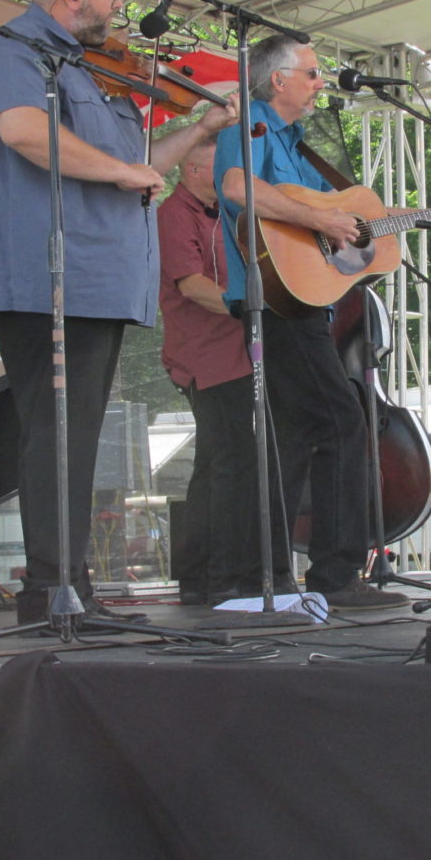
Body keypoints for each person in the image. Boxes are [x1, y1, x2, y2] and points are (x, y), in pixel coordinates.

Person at [0, 0, 237, 627]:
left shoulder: (89, 70)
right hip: (46, 274)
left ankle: (73, 584)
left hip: (102, 278)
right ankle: (50, 589)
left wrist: (202, 126)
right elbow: (24, 132)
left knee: (76, 433)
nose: (121, 10)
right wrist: (120, 172)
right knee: (55, 431)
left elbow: (142, 162)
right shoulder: (10, 53)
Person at [213, 34, 431, 610]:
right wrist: (319, 221)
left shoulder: (298, 146)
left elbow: (362, 220)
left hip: (298, 300)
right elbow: (237, 189)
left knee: (296, 437)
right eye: (310, 72)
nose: (320, 82)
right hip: (274, 299)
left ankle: (267, 575)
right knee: (344, 422)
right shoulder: (248, 129)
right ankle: (334, 575)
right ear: (276, 80)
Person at [157, 135, 268, 605]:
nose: (226, 177)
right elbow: (191, 285)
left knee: (216, 463)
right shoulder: (172, 215)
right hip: (204, 353)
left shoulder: (226, 211)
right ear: (194, 171)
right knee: (230, 462)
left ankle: (201, 573)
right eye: (218, 168)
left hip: (236, 349)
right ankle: (222, 574)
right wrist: (246, 307)